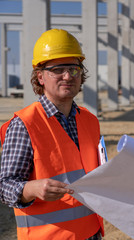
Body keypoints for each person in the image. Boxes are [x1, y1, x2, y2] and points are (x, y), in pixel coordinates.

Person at [0, 29, 104, 239]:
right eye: (58, 69)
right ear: (40, 77)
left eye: (74, 69)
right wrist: (31, 188)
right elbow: (5, 186)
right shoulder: (25, 124)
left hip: (91, 233)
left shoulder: (90, 121)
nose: (68, 76)